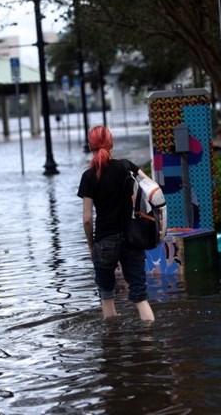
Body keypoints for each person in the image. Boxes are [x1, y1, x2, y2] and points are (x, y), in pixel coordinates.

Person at [77, 125, 155, 321]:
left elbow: (87, 219)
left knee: (107, 296)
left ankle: (113, 344)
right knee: (140, 296)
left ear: (90, 146)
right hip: (132, 238)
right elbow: (152, 189)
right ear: (112, 144)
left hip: (104, 242)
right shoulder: (125, 166)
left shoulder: (88, 177)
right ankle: (149, 339)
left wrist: (91, 245)